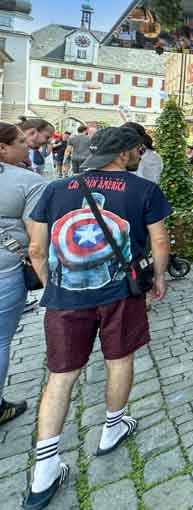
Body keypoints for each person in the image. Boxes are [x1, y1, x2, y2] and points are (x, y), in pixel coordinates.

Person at [23, 127, 171, 509]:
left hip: (64, 297)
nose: (140, 153)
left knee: (61, 376)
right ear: (122, 154)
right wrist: (158, 276)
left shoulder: (55, 189)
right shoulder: (143, 190)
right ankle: (112, 427)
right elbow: (159, 241)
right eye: (136, 149)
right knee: (119, 359)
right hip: (120, 293)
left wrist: (52, 287)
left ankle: (44, 471)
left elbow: (37, 247)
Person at [0, 123, 46, 427]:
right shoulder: (28, 181)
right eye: (20, 141)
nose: (26, 146)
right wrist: (49, 283)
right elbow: (37, 244)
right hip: (6, 269)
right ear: (3, 148)